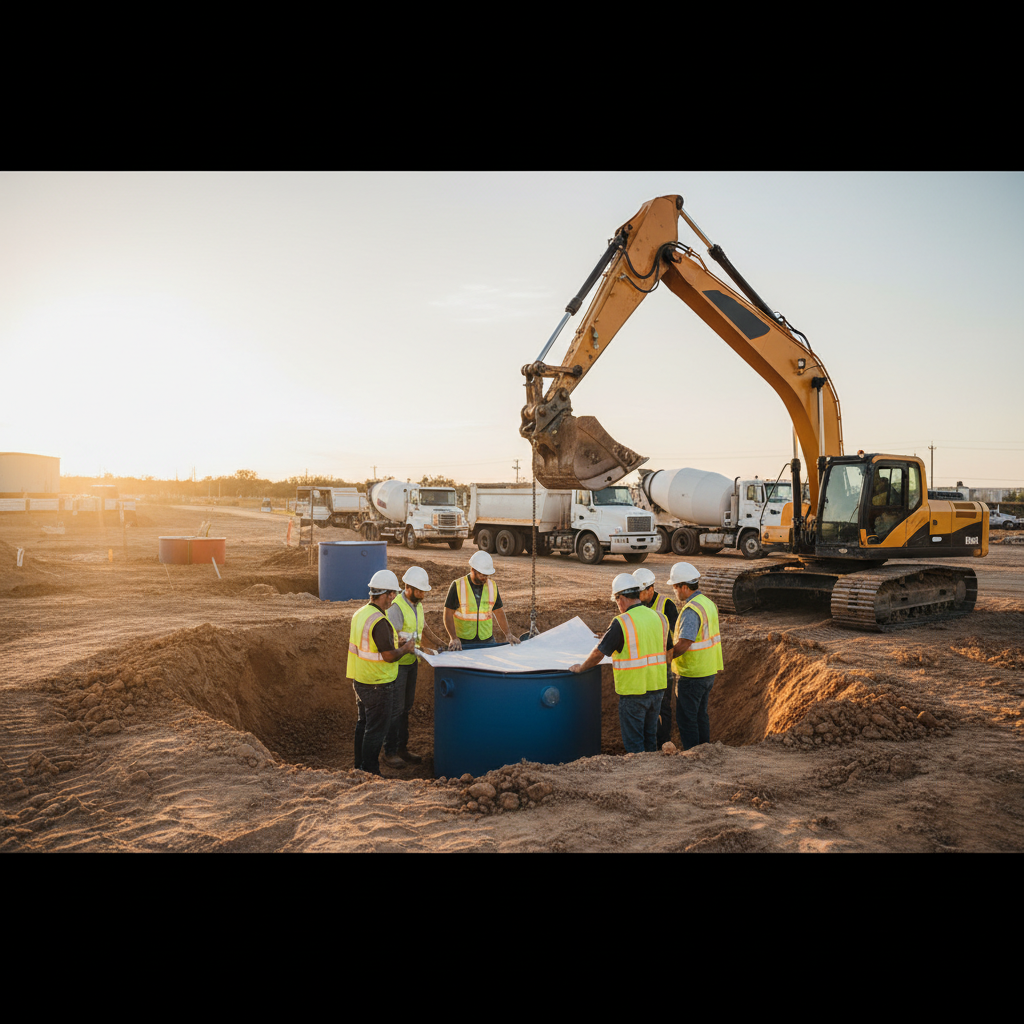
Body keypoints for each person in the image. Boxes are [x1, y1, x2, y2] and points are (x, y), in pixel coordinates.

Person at [569, 573, 669, 754]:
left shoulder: (621, 622)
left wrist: (582, 667)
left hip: (634, 692)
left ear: (621, 598)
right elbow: (648, 641)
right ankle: (652, 777)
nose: (618, 606)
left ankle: (638, 778)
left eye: (616, 601)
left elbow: (599, 652)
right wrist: (610, 636)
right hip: (657, 688)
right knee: (650, 739)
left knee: (635, 744)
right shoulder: (659, 617)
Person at [347, 569, 416, 776]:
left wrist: (396, 641)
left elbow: (373, 644)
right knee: (376, 730)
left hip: (361, 679)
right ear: (384, 594)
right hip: (378, 684)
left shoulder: (361, 613)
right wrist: (406, 648)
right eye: (391, 595)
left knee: (363, 725)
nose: (393, 599)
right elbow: (387, 655)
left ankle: (359, 767)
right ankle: (371, 771)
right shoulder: (380, 620)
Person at [381, 566, 443, 769]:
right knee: (396, 709)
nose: (423, 594)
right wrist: (423, 649)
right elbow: (397, 638)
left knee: (405, 708)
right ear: (408, 587)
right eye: (420, 591)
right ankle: (389, 752)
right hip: (398, 666)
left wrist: (440, 643)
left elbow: (423, 628)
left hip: (411, 664)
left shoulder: (417, 604)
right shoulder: (396, 607)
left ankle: (402, 749)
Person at [666, 562, 723, 750]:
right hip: (708, 671)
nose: (675, 592)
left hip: (692, 674)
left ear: (684, 587)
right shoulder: (707, 603)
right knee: (700, 715)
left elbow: (684, 643)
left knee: (687, 719)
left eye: (675, 587)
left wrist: (668, 656)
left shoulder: (691, 610)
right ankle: (704, 751)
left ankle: (692, 755)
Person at [633, 566, 678, 749]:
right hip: (643, 667)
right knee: (645, 707)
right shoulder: (635, 606)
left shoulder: (666, 605)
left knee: (663, 707)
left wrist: (666, 667)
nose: (636, 597)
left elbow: (673, 639)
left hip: (662, 668)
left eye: (639, 592)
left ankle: (663, 743)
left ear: (650, 589)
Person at [444, 550, 522, 649]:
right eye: (482, 575)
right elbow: (448, 614)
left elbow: (498, 611)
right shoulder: (458, 585)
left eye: (486, 575)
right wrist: (453, 637)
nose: (484, 578)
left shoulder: (492, 586)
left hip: (487, 640)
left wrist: (508, 634)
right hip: (463, 642)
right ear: (473, 570)